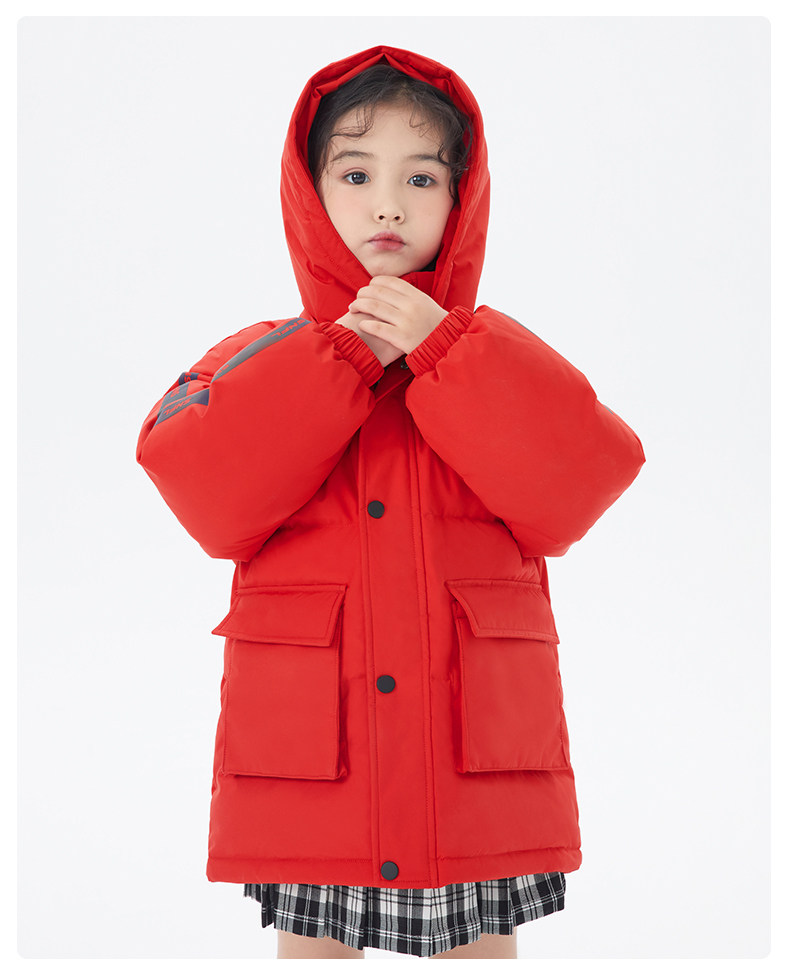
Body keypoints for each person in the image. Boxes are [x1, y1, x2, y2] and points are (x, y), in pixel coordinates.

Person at [135, 45, 646, 959]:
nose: (387, 205)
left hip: (473, 768)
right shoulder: (260, 353)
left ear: (461, 199)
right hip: (313, 765)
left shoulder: (489, 351)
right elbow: (206, 495)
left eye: (421, 177)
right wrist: (341, 355)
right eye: (356, 174)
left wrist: (445, 352)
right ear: (310, 193)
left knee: (479, 955)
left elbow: (583, 483)